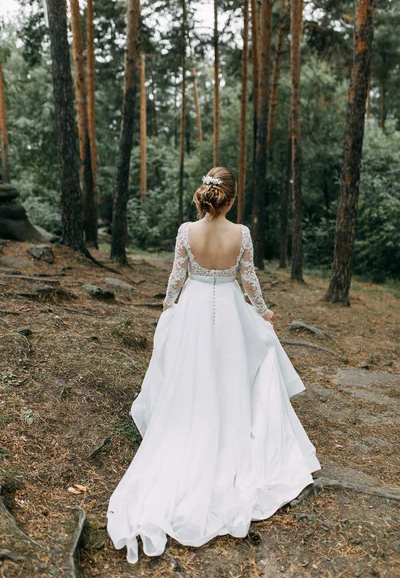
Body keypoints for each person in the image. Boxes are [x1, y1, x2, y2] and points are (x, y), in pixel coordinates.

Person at [107, 167, 320, 564]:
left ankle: (193, 424)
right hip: (231, 313)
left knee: (192, 377)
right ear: (232, 199)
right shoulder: (241, 234)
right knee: (236, 370)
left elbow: (177, 276)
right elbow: (248, 279)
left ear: (206, 195)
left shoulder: (187, 231)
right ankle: (231, 423)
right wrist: (263, 311)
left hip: (194, 310)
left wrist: (169, 307)